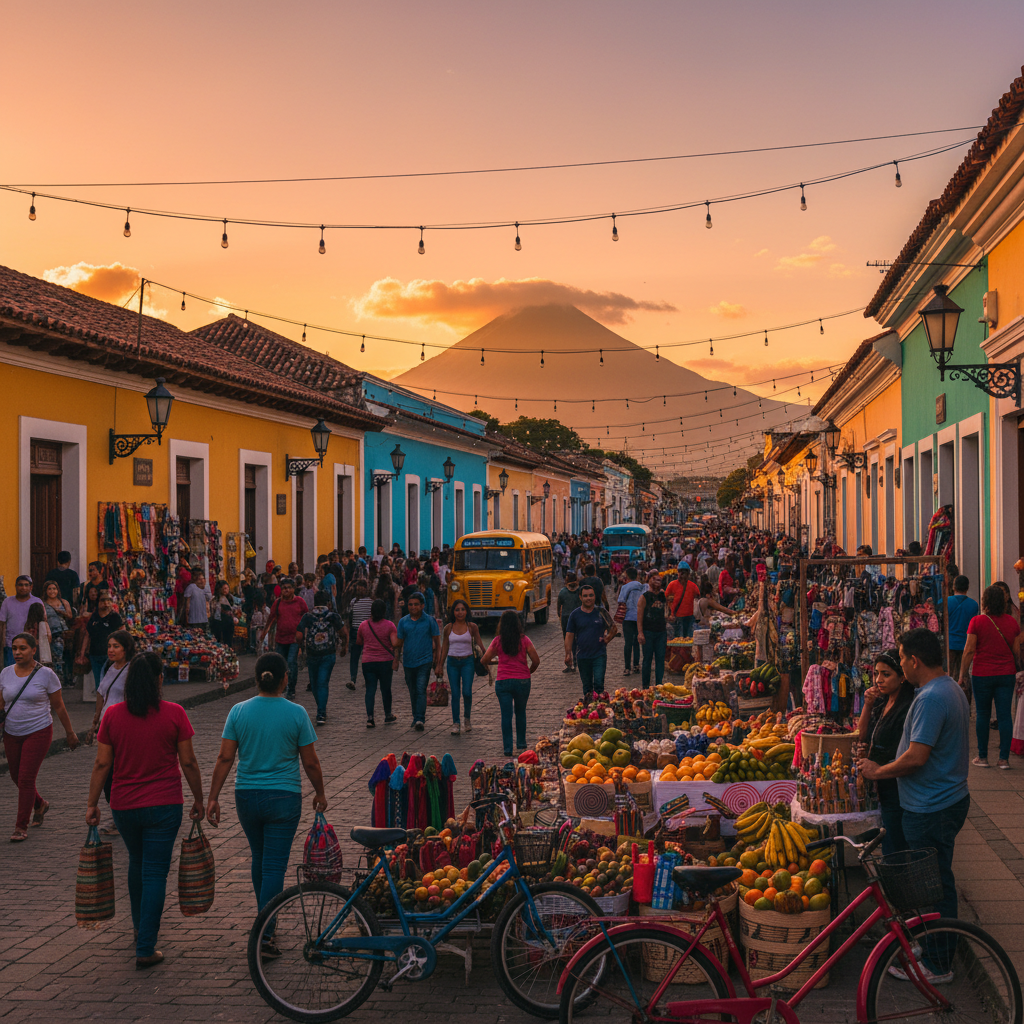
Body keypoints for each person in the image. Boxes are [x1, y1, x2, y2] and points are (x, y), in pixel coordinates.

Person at [857, 628, 969, 984]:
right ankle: (933, 946)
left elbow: (917, 757)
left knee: (934, 887)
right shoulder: (947, 688)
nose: (901, 663)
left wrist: (879, 771)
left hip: (932, 806)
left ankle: (938, 964)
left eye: (902, 658)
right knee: (934, 883)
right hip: (941, 800)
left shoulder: (931, 698)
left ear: (914, 660)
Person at [207, 652, 326, 961]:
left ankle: (264, 922)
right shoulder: (297, 713)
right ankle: (266, 934)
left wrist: (213, 796)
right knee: (274, 866)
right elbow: (310, 762)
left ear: (257, 678)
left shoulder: (238, 711)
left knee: (259, 860)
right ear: (285, 679)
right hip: (283, 798)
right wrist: (320, 792)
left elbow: (224, 758)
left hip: (247, 796)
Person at [87, 651, 203, 969]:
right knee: (154, 872)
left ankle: (140, 930)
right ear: (159, 681)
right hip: (165, 805)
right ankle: (146, 946)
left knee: (137, 864)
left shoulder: (112, 716)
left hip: (124, 805)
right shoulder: (175, 713)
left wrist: (92, 803)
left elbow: (101, 763)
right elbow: (189, 762)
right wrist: (200, 798)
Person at [3, 632, 79, 841]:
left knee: (26, 779)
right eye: (14, 648)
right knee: (15, 776)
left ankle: (20, 826)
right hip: (12, 732)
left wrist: (70, 733)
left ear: (34, 649)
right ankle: (40, 804)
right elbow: (2, 704)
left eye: (23, 648)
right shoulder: (5, 673)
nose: (17, 652)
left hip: (38, 730)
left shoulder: (46, 674)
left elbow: (59, 706)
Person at [855, 649, 915, 855]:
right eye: (876, 674)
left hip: (896, 785)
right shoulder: (881, 702)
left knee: (895, 843)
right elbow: (861, 735)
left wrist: (878, 766)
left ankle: (896, 879)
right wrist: (867, 704)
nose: (878, 680)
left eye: (886, 674)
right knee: (888, 836)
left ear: (902, 676)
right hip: (881, 785)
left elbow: (904, 751)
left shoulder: (907, 708)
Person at [958, 584, 1021, 769]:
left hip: (982, 674)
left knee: (983, 715)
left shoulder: (977, 622)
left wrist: (962, 674)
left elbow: (969, 651)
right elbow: (1017, 652)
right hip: (1006, 674)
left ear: (985, 602)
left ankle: (983, 757)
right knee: (1004, 716)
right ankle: (1003, 759)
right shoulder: (1012, 623)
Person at [479, 608, 540, 759]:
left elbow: (484, 660)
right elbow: (536, 660)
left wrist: (496, 661)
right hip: (522, 681)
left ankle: (507, 748)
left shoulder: (498, 641)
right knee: (521, 712)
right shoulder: (524, 640)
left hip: (503, 681)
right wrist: (527, 671)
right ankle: (521, 744)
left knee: (506, 715)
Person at [436, 599, 485, 736]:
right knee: (455, 694)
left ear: (466, 611)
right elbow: (445, 647)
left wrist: (487, 658)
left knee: (467, 692)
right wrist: (440, 664)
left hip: (468, 662)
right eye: (457, 610)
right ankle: (456, 722)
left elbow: (480, 645)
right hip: (452, 663)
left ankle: (467, 719)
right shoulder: (448, 628)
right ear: (453, 612)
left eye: (462, 609)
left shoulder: (472, 627)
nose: (460, 612)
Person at [394, 592, 441, 731]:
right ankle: (416, 716)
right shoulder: (403, 622)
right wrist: (395, 659)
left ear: (422, 606)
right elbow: (399, 642)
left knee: (420, 689)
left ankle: (420, 718)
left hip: (425, 661)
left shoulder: (430, 621)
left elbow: (438, 643)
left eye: (416, 604)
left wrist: (438, 663)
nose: (413, 607)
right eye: (410, 605)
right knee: (413, 690)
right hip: (408, 662)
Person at [296, 592, 344, 726]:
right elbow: (343, 632)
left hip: (312, 654)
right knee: (323, 682)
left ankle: (321, 708)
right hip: (328, 653)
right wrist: (344, 645)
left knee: (315, 683)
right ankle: (321, 712)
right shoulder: (333, 616)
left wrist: (300, 646)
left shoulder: (308, 616)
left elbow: (299, 636)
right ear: (328, 603)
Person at [259, 577, 307, 698]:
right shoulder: (278, 603)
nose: (286, 590)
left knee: (291, 662)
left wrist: (305, 634)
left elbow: (307, 618)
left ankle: (291, 688)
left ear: (293, 589)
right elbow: (271, 619)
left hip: (294, 639)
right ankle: (282, 686)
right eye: (284, 588)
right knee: (281, 664)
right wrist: (265, 632)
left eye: (289, 588)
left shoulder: (300, 602)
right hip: (280, 639)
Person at [564, 584, 615, 699]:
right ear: (580, 597)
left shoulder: (601, 611)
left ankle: (600, 710)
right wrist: (568, 654)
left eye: (591, 595)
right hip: (582, 656)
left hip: (599, 655)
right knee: (587, 688)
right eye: (585, 596)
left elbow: (613, 628)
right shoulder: (575, 615)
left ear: (594, 596)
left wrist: (607, 639)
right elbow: (569, 635)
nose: (589, 598)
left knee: (598, 684)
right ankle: (589, 711)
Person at [357, 598, 398, 728]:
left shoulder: (363, 625)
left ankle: (370, 718)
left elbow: (359, 642)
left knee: (370, 689)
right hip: (385, 661)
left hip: (368, 661)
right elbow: (394, 643)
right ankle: (387, 714)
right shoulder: (390, 625)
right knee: (386, 689)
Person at [0, 576, 44, 668]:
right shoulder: (7, 602)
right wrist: (2, 645)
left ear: (31, 587)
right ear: (16, 586)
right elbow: (2, 625)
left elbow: (43, 623)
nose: (23, 587)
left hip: (30, 646)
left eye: (26, 585)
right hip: (11, 646)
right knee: (11, 675)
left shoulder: (37, 601)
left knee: (28, 677)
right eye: (20, 585)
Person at [85, 591, 123, 693]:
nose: (106, 603)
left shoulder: (115, 617)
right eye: (103, 600)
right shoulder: (94, 617)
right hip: (95, 654)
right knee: (99, 682)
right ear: (98, 602)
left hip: (110, 654)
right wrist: (82, 653)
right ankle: (102, 705)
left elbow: (123, 634)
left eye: (109, 600)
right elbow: (87, 635)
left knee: (110, 681)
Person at [636, 571, 668, 687]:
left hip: (661, 632)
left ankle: (659, 685)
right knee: (647, 660)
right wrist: (640, 633)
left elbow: (666, 610)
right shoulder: (644, 597)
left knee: (660, 660)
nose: (656, 582)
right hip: (648, 632)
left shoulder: (663, 595)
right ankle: (645, 687)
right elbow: (639, 617)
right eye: (654, 579)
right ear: (649, 580)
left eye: (658, 580)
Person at [946, 575, 978, 685]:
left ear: (953, 587)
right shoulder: (974, 605)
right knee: (964, 674)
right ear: (967, 588)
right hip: (966, 644)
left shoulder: (946, 602)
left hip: (949, 645)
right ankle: (964, 698)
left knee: (949, 674)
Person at [41, 580, 73, 683]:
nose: (52, 591)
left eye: (54, 589)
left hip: (63, 633)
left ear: (57, 590)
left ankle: (62, 678)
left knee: (62, 656)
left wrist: (59, 611)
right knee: (53, 657)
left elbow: (70, 616)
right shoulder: (42, 603)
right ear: (46, 591)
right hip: (49, 633)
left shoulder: (63, 602)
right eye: (49, 589)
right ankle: (56, 678)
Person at [616, 566, 644, 676]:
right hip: (639, 618)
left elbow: (620, 600)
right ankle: (636, 665)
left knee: (628, 643)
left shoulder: (625, 587)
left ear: (627, 576)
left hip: (627, 617)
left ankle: (627, 668)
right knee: (636, 642)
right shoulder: (641, 586)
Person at [665, 562, 700, 639]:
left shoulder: (693, 586)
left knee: (688, 640)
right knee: (678, 640)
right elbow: (665, 599)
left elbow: (698, 597)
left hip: (689, 617)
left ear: (688, 573)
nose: (682, 574)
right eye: (681, 571)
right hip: (677, 618)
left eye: (684, 571)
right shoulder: (672, 585)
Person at [558, 572, 583, 674]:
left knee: (567, 641)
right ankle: (577, 663)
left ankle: (569, 663)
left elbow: (559, 606)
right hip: (578, 617)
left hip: (566, 618)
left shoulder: (563, 592)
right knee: (577, 641)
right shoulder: (580, 591)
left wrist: (560, 616)